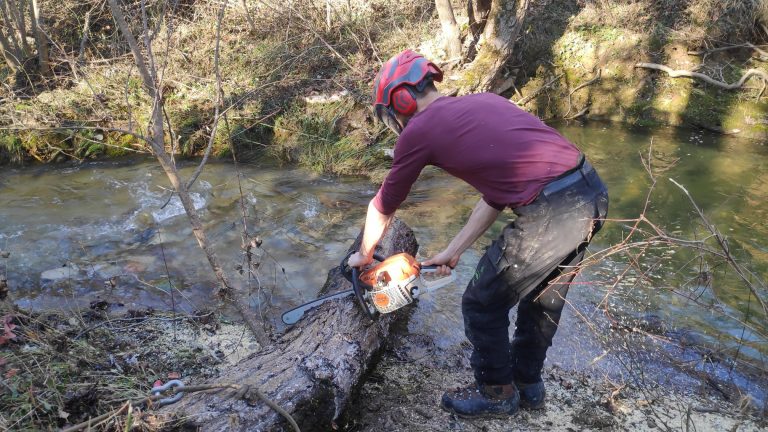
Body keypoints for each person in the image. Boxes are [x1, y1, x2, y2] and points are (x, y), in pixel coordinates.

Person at [347, 49, 609, 418]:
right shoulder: (483, 101)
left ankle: (497, 394)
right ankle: (529, 386)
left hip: (552, 210)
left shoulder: (419, 131)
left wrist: (364, 253)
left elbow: (382, 205)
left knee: (482, 301)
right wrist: (455, 249)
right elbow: (496, 196)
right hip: (590, 193)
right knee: (543, 298)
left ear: (399, 101)